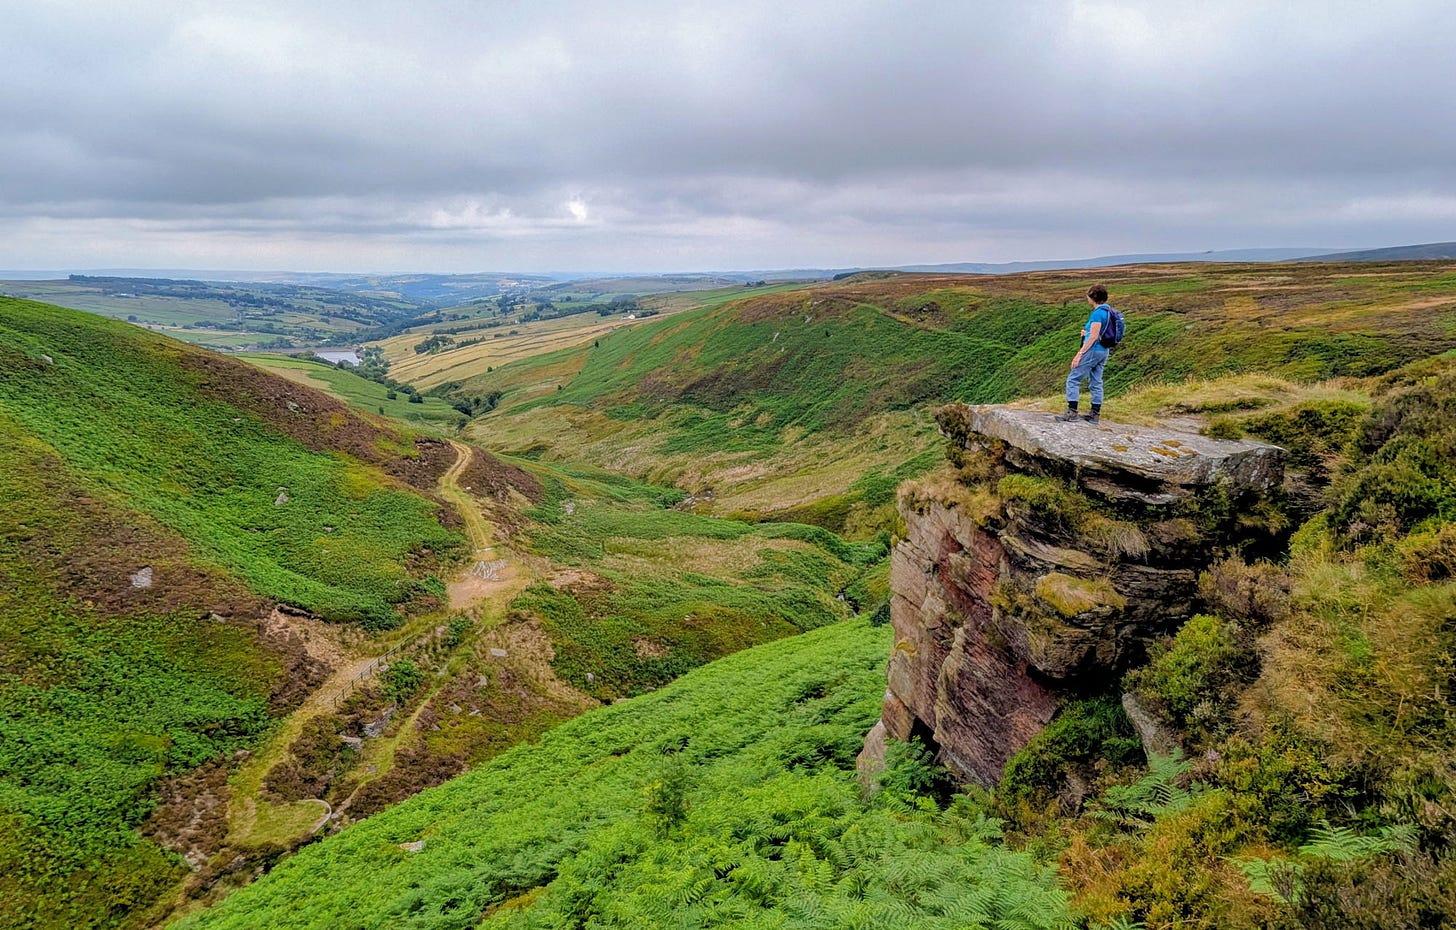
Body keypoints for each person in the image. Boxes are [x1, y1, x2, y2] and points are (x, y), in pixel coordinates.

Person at [1055, 285, 1113, 424]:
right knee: (1096, 381)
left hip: (1092, 350)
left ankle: (1072, 412)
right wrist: (1086, 334)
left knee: (1073, 379)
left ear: (1092, 297)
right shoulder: (1110, 311)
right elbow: (1100, 333)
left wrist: (1080, 353)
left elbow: (1093, 336)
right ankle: (1094, 414)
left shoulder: (1097, 314)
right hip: (1104, 350)